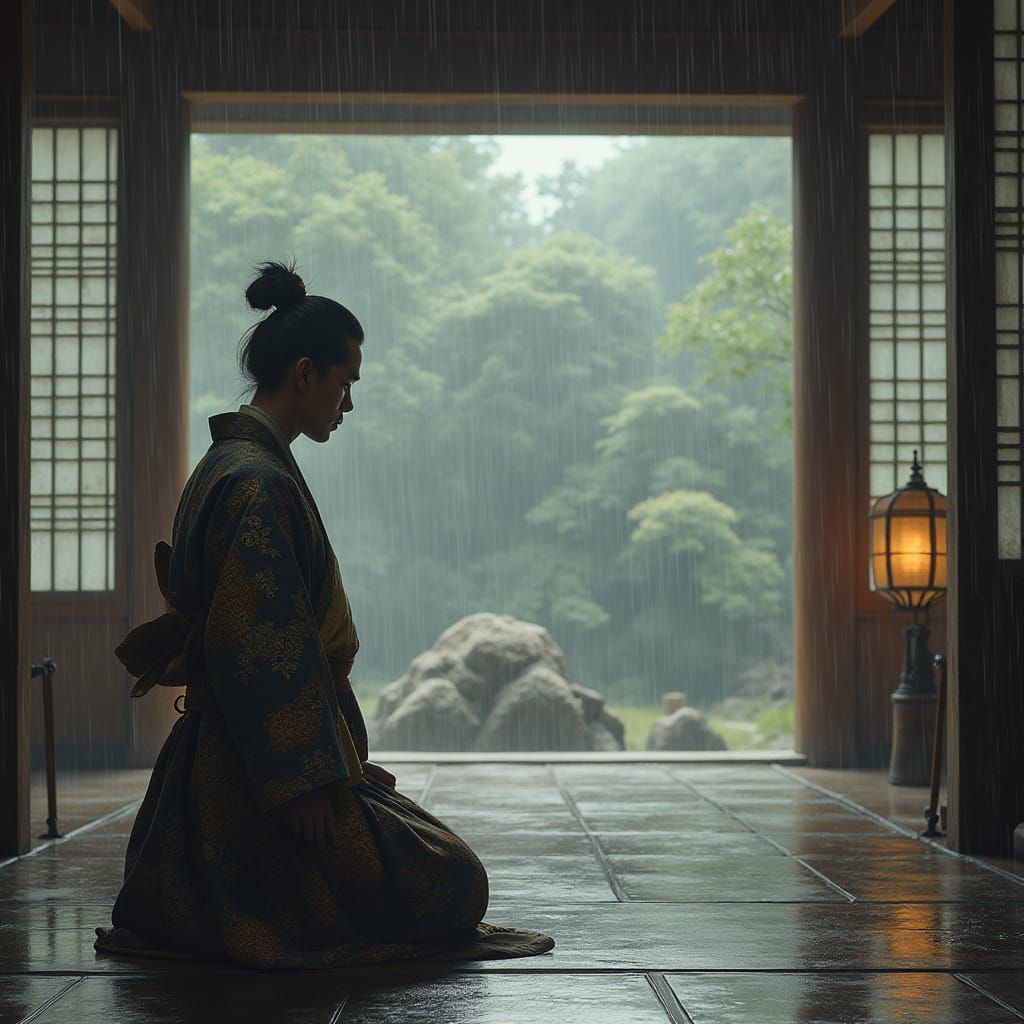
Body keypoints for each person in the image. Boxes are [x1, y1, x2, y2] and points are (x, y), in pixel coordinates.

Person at [95, 261, 552, 969]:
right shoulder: (256, 481)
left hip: (239, 763)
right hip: (255, 780)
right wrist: (303, 780)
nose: (347, 404)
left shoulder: (236, 465)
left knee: (429, 856)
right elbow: (261, 643)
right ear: (305, 375)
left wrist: (335, 762)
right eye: (344, 385)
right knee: (451, 880)